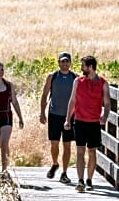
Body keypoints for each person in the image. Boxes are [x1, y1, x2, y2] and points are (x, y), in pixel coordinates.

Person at [63, 55, 111, 193]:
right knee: (79, 151)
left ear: (90, 67)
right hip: (79, 121)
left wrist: (105, 116)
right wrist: (67, 119)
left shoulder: (103, 83)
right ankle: (80, 180)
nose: (81, 68)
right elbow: (72, 101)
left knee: (92, 151)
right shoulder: (78, 81)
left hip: (94, 122)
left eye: (83, 65)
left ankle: (89, 179)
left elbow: (107, 103)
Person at [39, 51, 77, 183]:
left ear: (70, 63)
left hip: (69, 116)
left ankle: (64, 173)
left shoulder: (75, 78)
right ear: (58, 62)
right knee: (54, 143)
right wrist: (42, 112)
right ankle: (55, 163)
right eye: (62, 61)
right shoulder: (53, 76)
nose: (65, 64)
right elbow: (44, 95)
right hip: (54, 114)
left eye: (67, 61)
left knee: (67, 145)